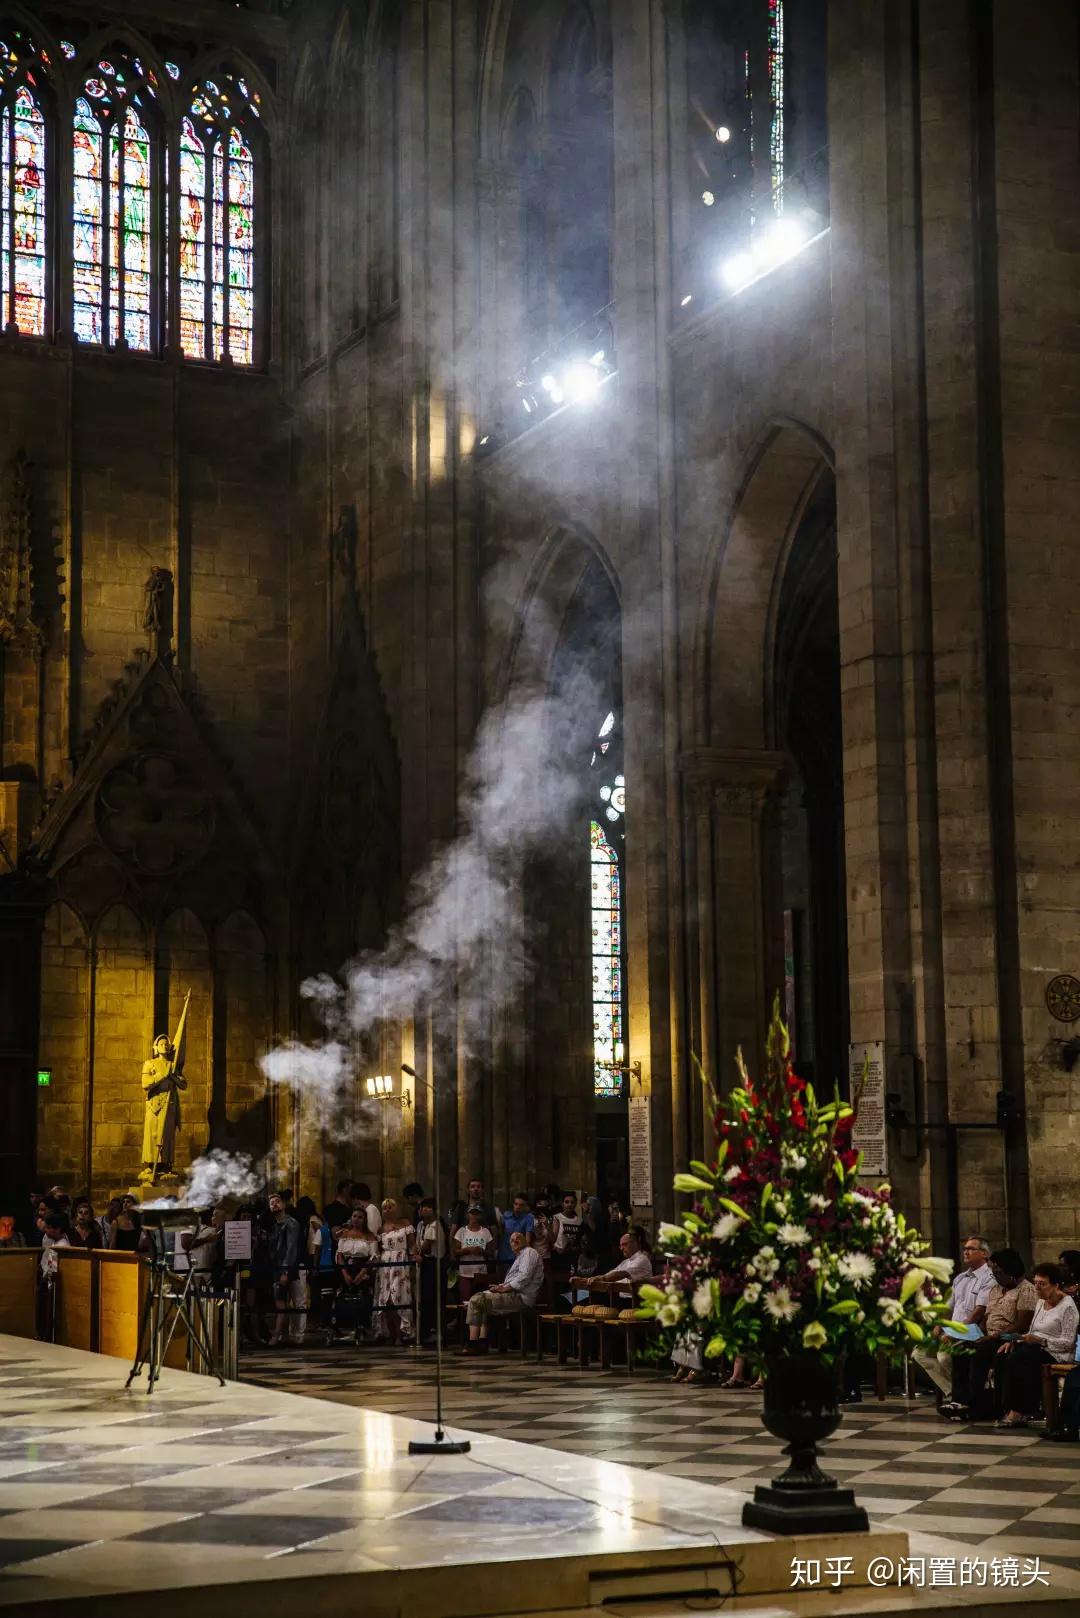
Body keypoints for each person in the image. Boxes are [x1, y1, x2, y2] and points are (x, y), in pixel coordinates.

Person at [939, 1249, 1037, 1421]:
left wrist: (993, 1336)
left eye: (998, 1273)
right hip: (988, 1335)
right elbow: (987, 1317)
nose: (995, 1276)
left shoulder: (1026, 1290)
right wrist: (977, 1332)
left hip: (1008, 1338)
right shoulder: (996, 1289)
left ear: (1011, 1271)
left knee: (979, 1353)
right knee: (960, 1349)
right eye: (993, 1272)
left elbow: (1022, 1324)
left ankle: (976, 1405)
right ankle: (959, 1401)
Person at [995, 1262, 1080, 1428]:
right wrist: (1016, 1340)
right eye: (1035, 1283)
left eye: (1042, 1284)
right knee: (1003, 1354)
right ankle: (1002, 1407)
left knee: (1022, 1358)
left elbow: (1068, 1343)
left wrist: (1041, 1341)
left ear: (1056, 1285)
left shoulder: (1068, 1306)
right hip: (1035, 1346)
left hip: (1057, 1352)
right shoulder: (1041, 1302)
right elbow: (1033, 1330)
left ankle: (1021, 1410)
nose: (1037, 1288)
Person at [911, 1236, 993, 1399]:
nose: (966, 1252)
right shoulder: (960, 1278)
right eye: (965, 1249)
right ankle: (954, 1393)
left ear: (984, 1253)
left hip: (972, 1330)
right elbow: (949, 1307)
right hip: (951, 1329)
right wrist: (938, 1327)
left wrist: (956, 1331)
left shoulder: (989, 1278)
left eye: (971, 1249)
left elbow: (979, 1311)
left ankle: (968, 1393)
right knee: (919, 1353)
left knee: (944, 1356)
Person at [464, 1230, 544, 1352]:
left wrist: (505, 1288)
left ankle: (473, 1344)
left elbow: (525, 1276)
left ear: (525, 1240)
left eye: (518, 1237)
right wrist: (499, 1287)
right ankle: (482, 1342)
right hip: (513, 1294)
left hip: (521, 1297)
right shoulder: (519, 1257)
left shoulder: (529, 1252)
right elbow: (513, 1280)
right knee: (478, 1299)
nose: (515, 1241)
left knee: (477, 1300)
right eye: (512, 1240)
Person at [374, 1197, 417, 1344]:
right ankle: (390, 1333)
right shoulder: (381, 1229)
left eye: (390, 1207)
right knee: (386, 1299)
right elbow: (378, 1249)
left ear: (396, 1208)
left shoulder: (404, 1224)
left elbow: (412, 1245)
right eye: (385, 1208)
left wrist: (414, 1257)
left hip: (400, 1261)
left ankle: (402, 1332)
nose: (387, 1210)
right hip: (386, 1264)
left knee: (399, 1296)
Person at [268, 1190, 306, 1345]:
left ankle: (298, 1335)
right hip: (278, 1267)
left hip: (290, 1268)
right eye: (271, 1203)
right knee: (282, 1301)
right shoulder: (274, 1225)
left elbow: (291, 1249)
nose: (275, 1204)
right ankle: (281, 1334)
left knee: (298, 1301)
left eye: (277, 1201)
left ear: (283, 1204)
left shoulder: (291, 1223)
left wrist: (285, 1271)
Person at [334, 1208, 378, 1342]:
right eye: (354, 1216)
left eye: (360, 1217)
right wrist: (345, 1273)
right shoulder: (345, 1233)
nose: (356, 1219)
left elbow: (373, 1257)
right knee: (343, 1297)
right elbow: (340, 1255)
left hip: (362, 1269)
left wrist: (362, 1273)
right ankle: (344, 1328)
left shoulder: (369, 1236)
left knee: (363, 1297)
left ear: (364, 1220)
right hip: (346, 1269)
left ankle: (362, 1327)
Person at [571, 1227, 652, 1299]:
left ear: (635, 1243)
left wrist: (601, 1279)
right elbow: (608, 1275)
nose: (622, 1249)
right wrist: (583, 1280)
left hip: (635, 1301)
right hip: (621, 1299)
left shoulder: (642, 1258)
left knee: (595, 1297)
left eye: (624, 1244)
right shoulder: (625, 1262)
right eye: (620, 1246)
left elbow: (620, 1274)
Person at [417, 1195, 448, 1344]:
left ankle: (436, 1332)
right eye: (423, 1207)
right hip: (425, 1264)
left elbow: (426, 1246)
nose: (424, 1210)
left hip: (434, 1264)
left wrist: (417, 1253)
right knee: (425, 1299)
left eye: (428, 1208)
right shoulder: (421, 1225)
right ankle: (425, 1332)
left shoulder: (435, 1225)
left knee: (434, 1299)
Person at [453, 1204, 497, 1295]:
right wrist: (467, 1250)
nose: (474, 1216)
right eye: (472, 1213)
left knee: (480, 1300)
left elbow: (491, 1252)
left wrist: (482, 1251)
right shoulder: (461, 1231)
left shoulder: (485, 1231)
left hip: (481, 1272)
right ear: (468, 1215)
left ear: (481, 1216)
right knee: (465, 1299)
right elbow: (455, 1251)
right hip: (465, 1272)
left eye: (477, 1214)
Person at [181, 1205, 227, 1280]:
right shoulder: (190, 1223)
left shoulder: (217, 1231)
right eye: (214, 1215)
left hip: (210, 1274)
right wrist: (207, 1239)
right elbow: (185, 1243)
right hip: (193, 1273)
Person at [498, 1193, 535, 1267]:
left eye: (521, 1205)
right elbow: (501, 1234)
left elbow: (528, 1240)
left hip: (519, 1255)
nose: (517, 1207)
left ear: (525, 1206)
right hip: (505, 1253)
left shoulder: (529, 1218)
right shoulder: (506, 1215)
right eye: (516, 1204)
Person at [551, 1192, 583, 1273]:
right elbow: (553, 1237)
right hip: (559, 1254)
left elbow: (580, 1238)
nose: (569, 1204)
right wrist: (555, 1248)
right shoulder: (557, 1217)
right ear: (563, 1203)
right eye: (567, 1202)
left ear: (576, 1204)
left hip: (573, 1255)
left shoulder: (579, 1220)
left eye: (572, 1202)